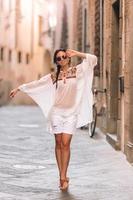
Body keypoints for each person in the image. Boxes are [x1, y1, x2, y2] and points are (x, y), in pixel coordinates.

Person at [9, 49, 97, 191]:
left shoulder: (77, 71)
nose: (61, 59)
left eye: (64, 57)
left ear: (68, 58)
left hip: (71, 114)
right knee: (58, 143)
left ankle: (64, 175)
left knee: (66, 143)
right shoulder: (53, 76)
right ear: (56, 61)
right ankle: (61, 176)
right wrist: (19, 88)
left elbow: (93, 59)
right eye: (58, 58)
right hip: (57, 113)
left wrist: (77, 54)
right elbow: (36, 84)